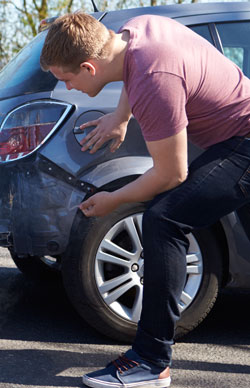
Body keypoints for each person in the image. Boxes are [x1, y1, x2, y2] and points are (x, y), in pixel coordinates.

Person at [40, 12, 250, 388]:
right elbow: (132, 70)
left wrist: (113, 200)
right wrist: (121, 116)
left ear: (89, 67)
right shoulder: (137, 30)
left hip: (244, 141)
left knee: (164, 218)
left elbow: (172, 174)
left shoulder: (154, 80)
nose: (68, 88)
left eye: (67, 80)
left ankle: (151, 361)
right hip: (236, 135)